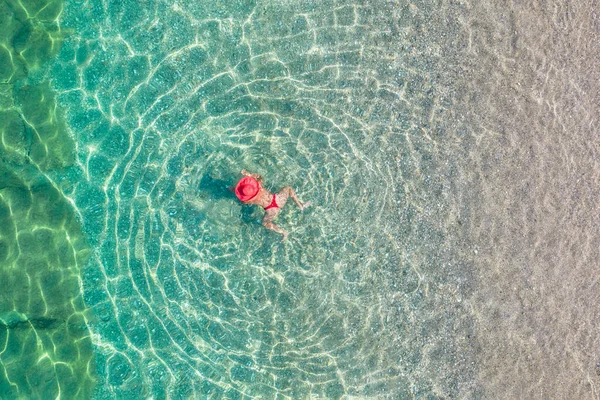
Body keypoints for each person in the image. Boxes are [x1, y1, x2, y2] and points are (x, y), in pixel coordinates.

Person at [235, 170, 309, 240]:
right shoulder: (259, 185)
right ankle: (300, 205)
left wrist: (235, 190)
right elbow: (260, 177)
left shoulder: (249, 200)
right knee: (288, 188)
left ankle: (283, 232)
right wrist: (250, 175)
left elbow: (242, 202)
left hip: (271, 210)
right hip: (278, 200)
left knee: (265, 223)